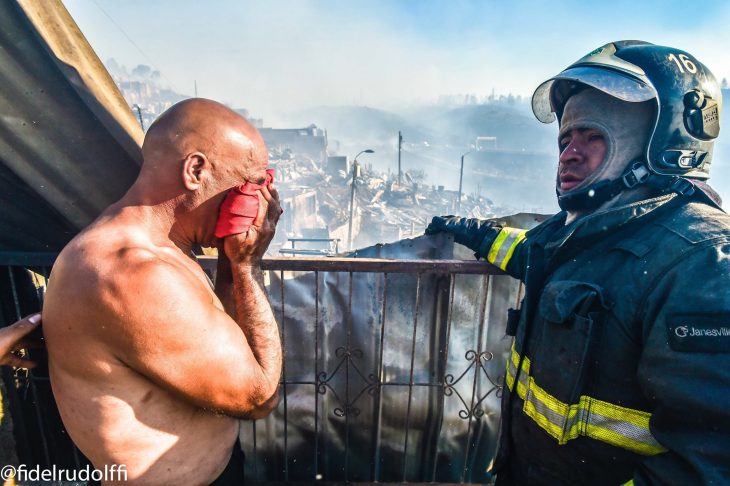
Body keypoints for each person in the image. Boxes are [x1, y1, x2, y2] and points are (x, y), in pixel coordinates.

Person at [427, 40, 730, 485]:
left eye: (592, 137)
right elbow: (533, 253)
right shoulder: (590, 231)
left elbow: (708, 466)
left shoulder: (703, 264)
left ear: (662, 144)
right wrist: (472, 229)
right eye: (565, 139)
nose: (569, 153)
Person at [43, 98, 283, 485]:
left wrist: (229, 258)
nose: (257, 201)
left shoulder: (161, 247)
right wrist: (246, 265)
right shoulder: (132, 272)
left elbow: (225, 341)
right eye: (251, 184)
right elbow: (257, 397)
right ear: (196, 170)